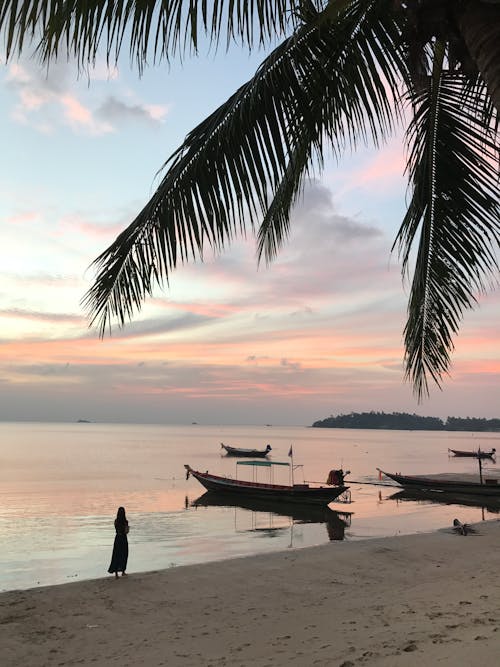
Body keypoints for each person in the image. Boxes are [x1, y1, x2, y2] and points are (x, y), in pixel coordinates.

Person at [108, 506, 129, 579]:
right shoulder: (125, 522)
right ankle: (123, 572)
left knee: (116, 555)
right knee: (124, 554)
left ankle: (116, 574)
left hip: (117, 539)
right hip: (123, 539)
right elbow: (126, 532)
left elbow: (116, 529)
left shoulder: (116, 521)